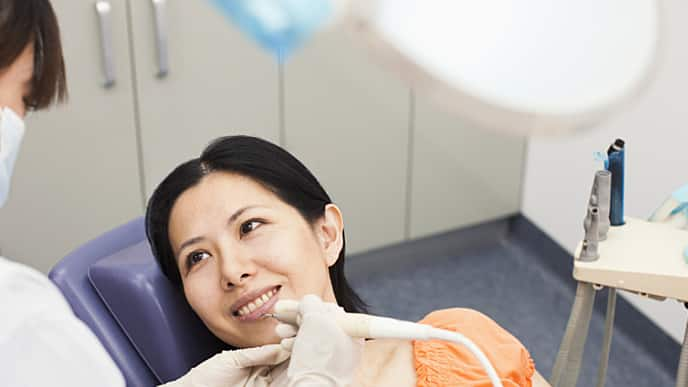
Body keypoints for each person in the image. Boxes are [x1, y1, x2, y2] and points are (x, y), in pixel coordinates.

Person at [146, 135, 551, 386]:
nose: (232, 271)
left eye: (250, 226)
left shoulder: (460, 345)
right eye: (197, 257)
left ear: (327, 234)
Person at [0, 1, 124, 385]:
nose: (235, 273)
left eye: (251, 226)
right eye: (24, 97)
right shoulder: (22, 319)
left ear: (319, 229)